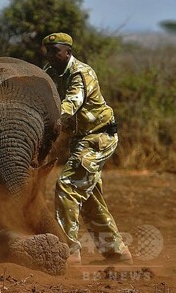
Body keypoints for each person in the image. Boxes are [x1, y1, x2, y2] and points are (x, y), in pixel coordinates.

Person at [41, 32, 132, 265]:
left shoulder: (81, 72)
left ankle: (68, 253)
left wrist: (49, 121)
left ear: (68, 52)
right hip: (83, 139)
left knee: (68, 186)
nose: (50, 55)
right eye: (48, 51)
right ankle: (116, 252)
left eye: (55, 51)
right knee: (90, 198)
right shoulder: (51, 73)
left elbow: (72, 102)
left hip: (98, 137)